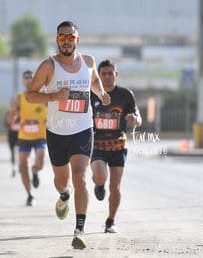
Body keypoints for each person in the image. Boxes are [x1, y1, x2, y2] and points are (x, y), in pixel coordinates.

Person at [26, 20, 111, 249]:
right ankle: (64, 196)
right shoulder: (48, 66)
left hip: (83, 129)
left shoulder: (89, 62)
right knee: (62, 182)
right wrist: (53, 97)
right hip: (57, 131)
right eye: (62, 37)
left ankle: (79, 230)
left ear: (77, 40)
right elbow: (30, 95)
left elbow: (93, 81)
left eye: (70, 37)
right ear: (57, 40)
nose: (66, 41)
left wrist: (101, 93)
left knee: (80, 176)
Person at [90, 59, 142, 233]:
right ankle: (98, 184)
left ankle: (110, 220)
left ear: (116, 74)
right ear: (98, 76)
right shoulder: (92, 94)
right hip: (97, 144)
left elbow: (137, 117)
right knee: (100, 176)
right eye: (103, 74)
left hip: (118, 145)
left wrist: (135, 120)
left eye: (110, 73)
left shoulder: (125, 95)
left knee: (115, 186)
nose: (107, 76)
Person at [7, 70, 48, 207]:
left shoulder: (44, 96)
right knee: (23, 165)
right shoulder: (19, 97)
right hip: (24, 136)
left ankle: (35, 170)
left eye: (32, 77)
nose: (29, 80)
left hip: (40, 136)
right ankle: (30, 195)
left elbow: (54, 110)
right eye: (26, 78)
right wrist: (13, 117)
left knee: (40, 160)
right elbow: (11, 116)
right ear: (23, 81)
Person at [5, 110, 20, 177]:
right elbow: (5, 124)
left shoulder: (22, 112)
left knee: (21, 152)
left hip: (20, 135)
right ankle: (13, 168)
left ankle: (20, 166)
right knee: (12, 153)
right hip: (12, 135)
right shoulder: (9, 113)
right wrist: (11, 120)